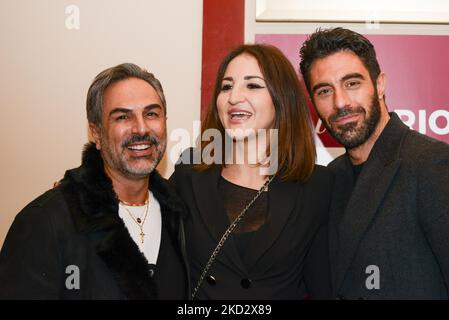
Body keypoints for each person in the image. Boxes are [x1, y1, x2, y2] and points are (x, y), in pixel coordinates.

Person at [0, 63, 189, 299]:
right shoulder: (45, 221)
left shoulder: (180, 214)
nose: (141, 128)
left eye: (151, 114)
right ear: (96, 133)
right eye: (123, 117)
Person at [170, 44, 332, 300]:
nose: (234, 97)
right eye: (226, 86)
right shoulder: (187, 177)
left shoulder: (317, 186)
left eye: (252, 85)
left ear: (282, 99)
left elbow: (324, 287)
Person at [299, 27, 449, 299]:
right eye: (324, 91)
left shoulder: (431, 164)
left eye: (352, 83)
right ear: (313, 103)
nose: (340, 102)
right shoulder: (331, 178)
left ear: (379, 84)